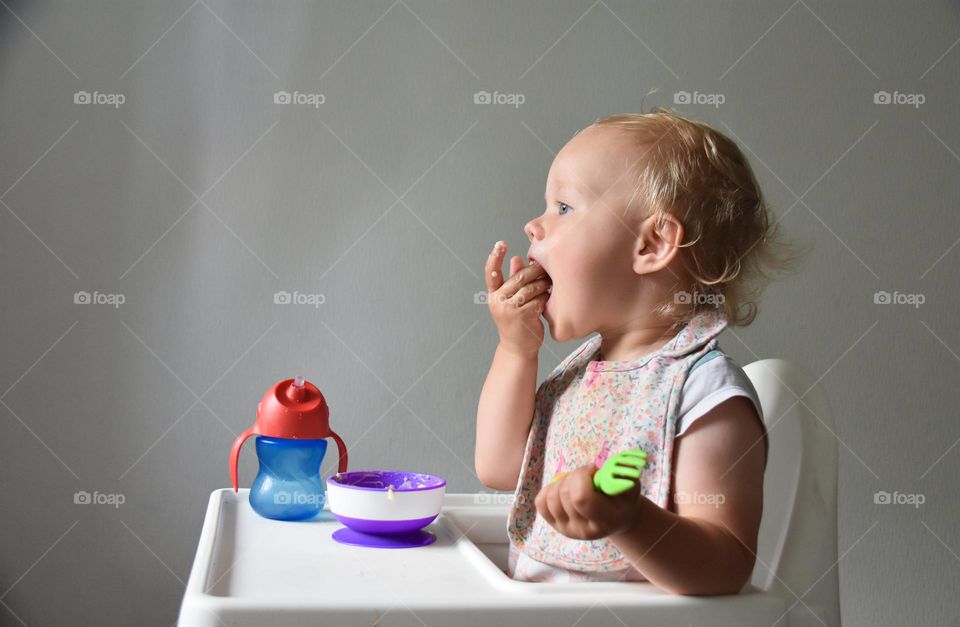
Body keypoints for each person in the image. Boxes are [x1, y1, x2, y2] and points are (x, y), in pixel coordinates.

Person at [475, 109, 806, 594]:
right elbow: (499, 469)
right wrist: (515, 350)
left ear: (651, 244)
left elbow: (727, 564)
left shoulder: (704, 394)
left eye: (563, 207)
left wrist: (631, 521)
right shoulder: (577, 379)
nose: (533, 225)